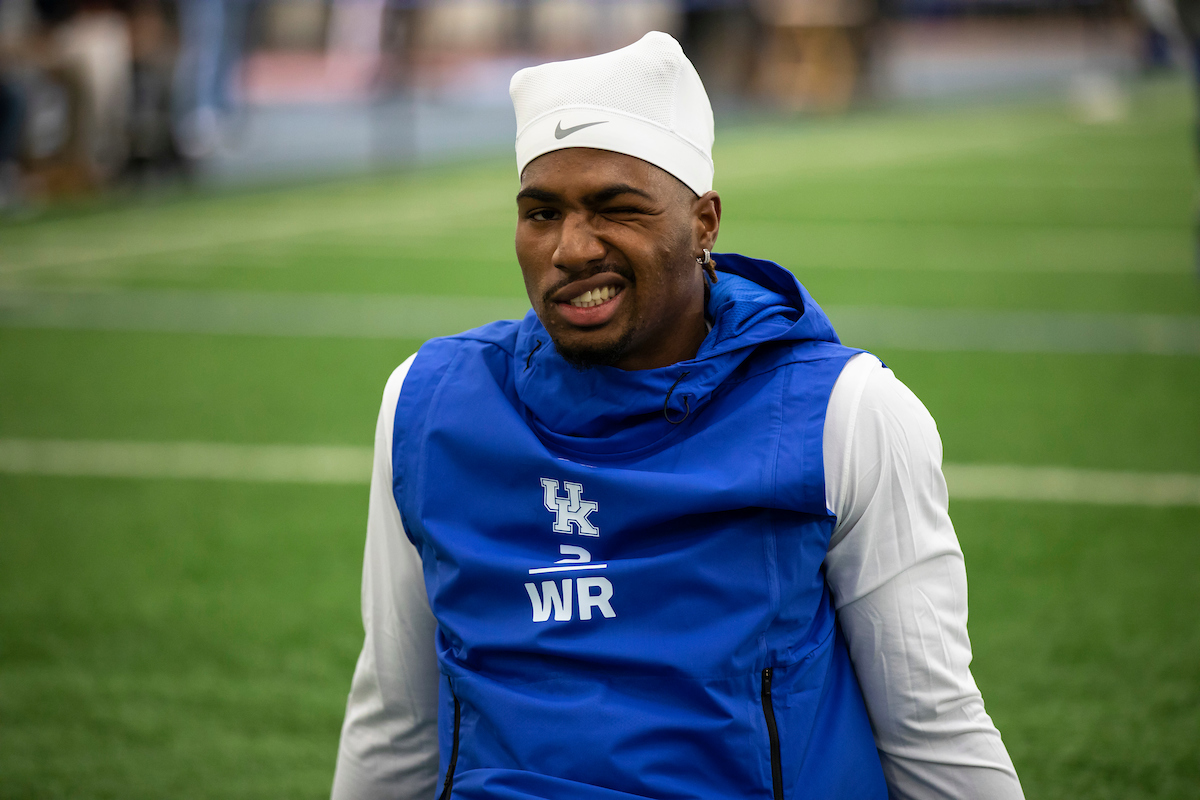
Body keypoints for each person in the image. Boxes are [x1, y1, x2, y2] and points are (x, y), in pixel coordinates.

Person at [331, 31, 1024, 800]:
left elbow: (932, 725)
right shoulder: (427, 407)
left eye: (615, 209)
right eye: (541, 212)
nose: (570, 248)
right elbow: (395, 721)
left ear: (705, 223)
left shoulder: (844, 413)